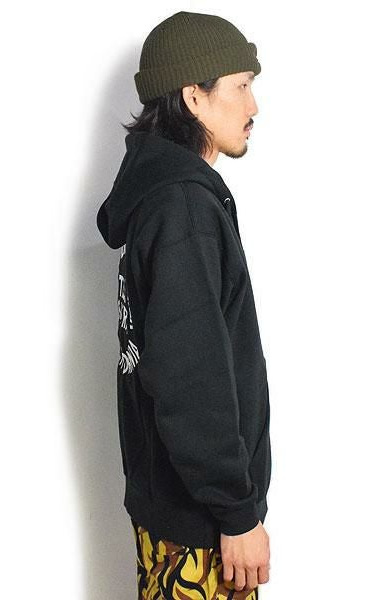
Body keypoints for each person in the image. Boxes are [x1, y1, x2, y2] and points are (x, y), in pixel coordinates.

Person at [97, 10, 272, 599]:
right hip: (202, 528)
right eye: (241, 86)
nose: (253, 105)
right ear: (194, 96)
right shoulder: (183, 208)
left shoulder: (161, 197)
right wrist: (237, 513)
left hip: (176, 513)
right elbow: (190, 377)